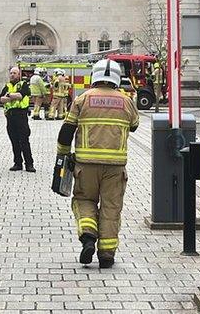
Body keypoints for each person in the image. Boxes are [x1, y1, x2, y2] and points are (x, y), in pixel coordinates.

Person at [56, 59, 140, 269]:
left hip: (85, 166)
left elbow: (66, 131)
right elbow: (135, 126)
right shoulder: (126, 100)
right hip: (115, 167)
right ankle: (107, 255)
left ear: (94, 76)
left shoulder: (83, 99)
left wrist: (63, 156)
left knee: (84, 200)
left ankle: (88, 236)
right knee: (111, 208)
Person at [0, 66, 35, 172]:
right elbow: (1, 99)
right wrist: (11, 96)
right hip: (10, 117)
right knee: (14, 141)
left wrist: (9, 95)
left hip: (21, 116)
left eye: (14, 73)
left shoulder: (23, 84)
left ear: (19, 75)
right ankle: (17, 163)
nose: (12, 75)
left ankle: (29, 164)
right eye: (11, 73)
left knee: (24, 141)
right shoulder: (7, 86)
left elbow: (21, 95)